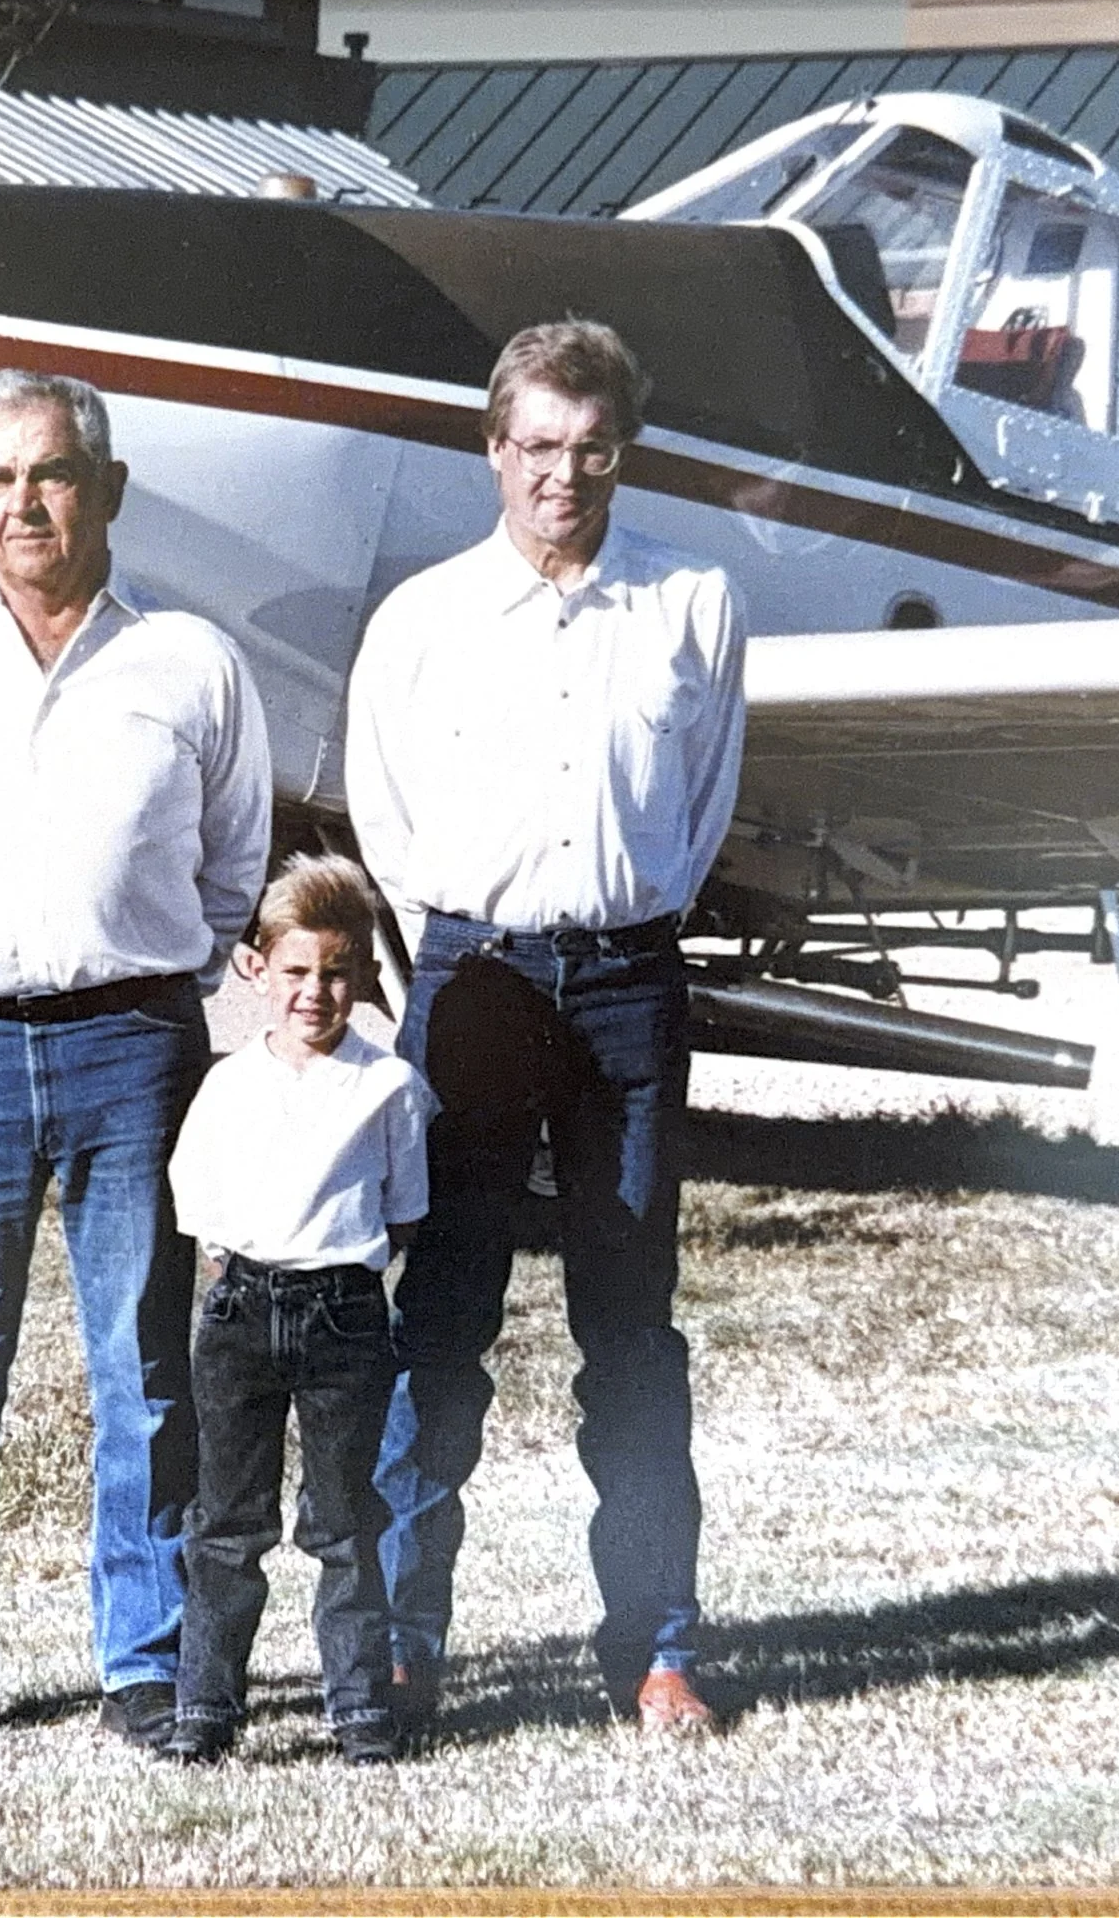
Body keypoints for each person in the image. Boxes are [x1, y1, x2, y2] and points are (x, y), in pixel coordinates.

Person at [0, 369, 273, 1751]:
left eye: (53, 472)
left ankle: (144, 1661)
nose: (25, 502)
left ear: (110, 486)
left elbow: (234, 863)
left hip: (132, 1049)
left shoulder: (191, 664)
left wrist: (135, 968)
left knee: (144, 1364)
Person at [344, 319, 747, 1737]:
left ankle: (656, 1646)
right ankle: (403, 1642)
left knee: (630, 1331)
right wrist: (480, 948)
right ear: (492, 449)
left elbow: (697, 810)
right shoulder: (423, 620)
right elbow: (387, 815)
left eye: (589, 448)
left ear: (620, 451)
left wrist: (613, 928)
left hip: (631, 988)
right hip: (474, 987)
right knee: (439, 1317)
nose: (561, 476)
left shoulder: (694, 604)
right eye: (535, 447)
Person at [160, 854, 435, 1767]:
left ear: (360, 974)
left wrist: (335, 1271)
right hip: (241, 1311)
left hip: (345, 1317)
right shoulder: (230, 1083)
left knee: (345, 1519)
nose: (314, 993)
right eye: (295, 972)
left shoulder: (387, 1085)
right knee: (228, 1522)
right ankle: (206, 1702)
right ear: (258, 970)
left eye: (336, 973)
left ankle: (358, 1704)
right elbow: (193, 1197)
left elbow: (402, 1210)